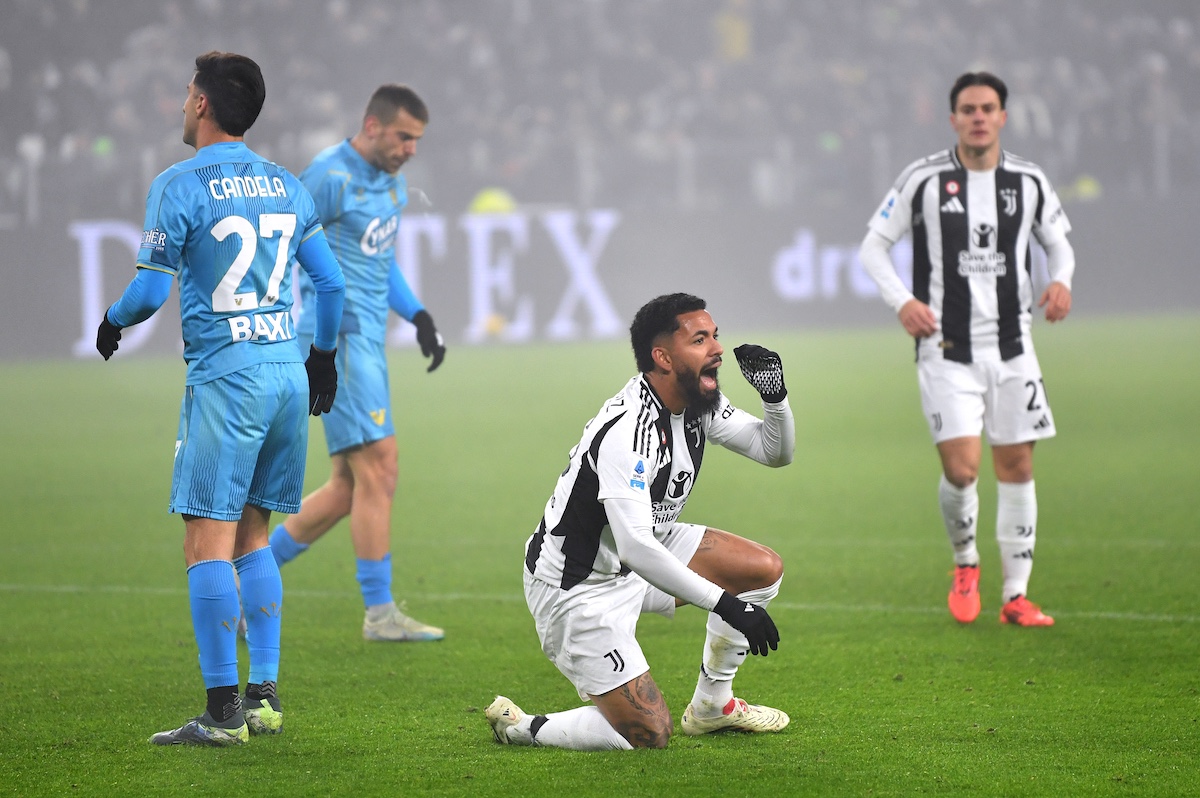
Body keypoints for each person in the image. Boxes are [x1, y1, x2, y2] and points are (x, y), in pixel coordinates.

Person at [95, 51, 345, 745]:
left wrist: (111, 321)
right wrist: (321, 357)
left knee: (205, 543)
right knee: (254, 537)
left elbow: (148, 293)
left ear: (203, 105)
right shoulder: (288, 185)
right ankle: (263, 700)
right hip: (287, 377)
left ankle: (222, 714)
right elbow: (330, 287)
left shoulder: (178, 184)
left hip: (227, 381)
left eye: (185, 94)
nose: (181, 104)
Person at [486, 293, 794, 750]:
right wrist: (726, 605)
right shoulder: (629, 431)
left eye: (715, 336)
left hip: (642, 552)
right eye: (700, 339)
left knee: (761, 569)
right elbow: (634, 547)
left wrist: (775, 398)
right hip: (578, 587)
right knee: (649, 734)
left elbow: (774, 451)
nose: (718, 349)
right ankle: (523, 727)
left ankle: (713, 707)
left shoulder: (698, 401)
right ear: (662, 357)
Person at [858, 71, 1075, 627]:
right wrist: (902, 301)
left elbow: (1059, 245)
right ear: (953, 118)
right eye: (968, 109)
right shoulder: (924, 180)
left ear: (1003, 116)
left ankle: (1016, 596)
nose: (979, 117)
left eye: (988, 108)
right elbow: (873, 247)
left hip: (1013, 346)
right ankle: (965, 562)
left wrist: (1061, 281)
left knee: (1018, 464)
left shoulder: (1027, 181)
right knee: (962, 471)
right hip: (945, 348)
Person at [267, 84, 447, 642]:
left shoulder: (390, 184)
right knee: (381, 467)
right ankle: (379, 614)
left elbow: (380, 259)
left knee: (350, 485)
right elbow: (281, 245)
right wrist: (309, 343)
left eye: (417, 140)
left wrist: (416, 314)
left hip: (368, 341)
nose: (411, 149)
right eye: (403, 137)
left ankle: (250, 579)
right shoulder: (327, 175)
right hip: (335, 339)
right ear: (372, 125)